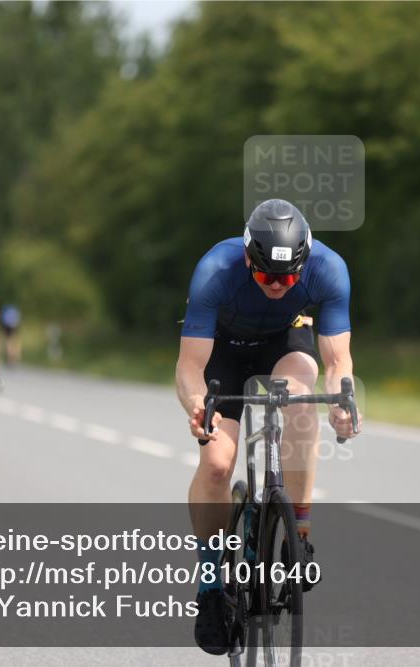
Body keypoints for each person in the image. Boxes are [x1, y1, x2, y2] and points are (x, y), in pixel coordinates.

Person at [175, 198, 359, 654]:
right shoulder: (214, 270)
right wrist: (199, 407)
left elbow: (338, 361)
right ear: (247, 258)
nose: (277, 285)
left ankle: (298, 530)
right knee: (218, 463)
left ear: (304, 261)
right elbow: (188, 368)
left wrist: (343, 405)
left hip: (284, 342)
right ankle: (211, 585)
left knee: (302, 397)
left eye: (288, 276)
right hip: (225, 348)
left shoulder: (329, 269)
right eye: (266, 275)